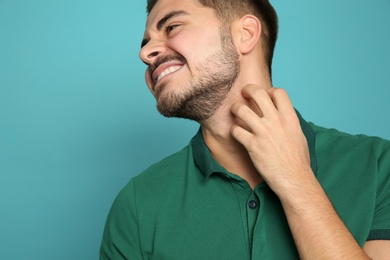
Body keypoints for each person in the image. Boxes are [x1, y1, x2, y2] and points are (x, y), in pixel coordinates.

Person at [100, 0, 390, 258]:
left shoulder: (379, 166)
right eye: (146, 42)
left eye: (172, 27)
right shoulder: (137, 202)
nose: (146, 53)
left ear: (246, 34)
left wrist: (297, 182)